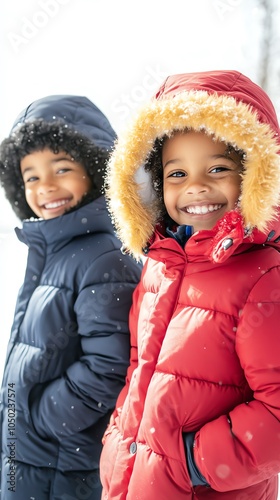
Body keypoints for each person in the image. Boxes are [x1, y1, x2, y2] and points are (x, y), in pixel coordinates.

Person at [100, 70, 280, 500]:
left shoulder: (263, 275)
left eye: (218, 167)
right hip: (133, 480)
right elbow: (138, 366)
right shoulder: (159, 266)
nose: (196, 185)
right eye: (177, 173)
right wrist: (118, 436)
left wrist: (194, 462)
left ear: (255, 175)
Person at [0, 94, 142, 500]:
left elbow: (111, 366)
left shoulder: (102, 257)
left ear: (96, 172)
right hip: (31, 456)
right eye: (30, 176)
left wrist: (43, 416)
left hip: (66, 465)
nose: (45, 187)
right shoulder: (53, 249)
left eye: (62, 169)